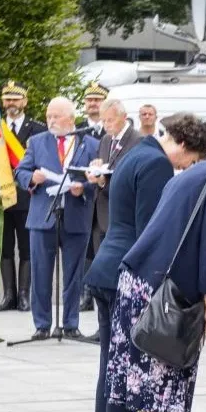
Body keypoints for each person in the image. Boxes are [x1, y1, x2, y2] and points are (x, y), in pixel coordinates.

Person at [104, 115, 206, 412]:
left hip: (134, 282)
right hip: (161, 293)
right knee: (164, 386)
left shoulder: (187, 177)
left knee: (143, 387)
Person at [84, 115, 179, 412]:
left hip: (107, 266)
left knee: (111, 367)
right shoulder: (155, 163)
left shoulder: (135, 153)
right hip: (127, 273)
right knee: (125, 370)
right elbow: (149, 230)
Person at [15, 97, 100, 339]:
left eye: (56, 116)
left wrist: (84, 187)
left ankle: (70, 324)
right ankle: (42, 325)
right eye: (48, 116)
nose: (50, 121)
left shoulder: (91, 144)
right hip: (44, 215)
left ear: (71, 119)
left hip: (76, 215)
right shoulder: (37, 141)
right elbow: (20, 171)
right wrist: (32, 178)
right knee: (41, 272)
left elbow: (101, 178)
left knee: (74, 275)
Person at [86, 98, 140, 312]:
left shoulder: (136, 141)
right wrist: (95, 169)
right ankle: (104, 321)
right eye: (104, 121)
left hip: (121, 215)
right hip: (101, 213)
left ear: (123, 117)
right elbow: (104, 165)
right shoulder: (106, 141)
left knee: (115, 272)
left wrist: (102, 180)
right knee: (102, 271)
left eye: (110, 120)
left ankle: (116, 317)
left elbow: (129, 177)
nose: (106, 125)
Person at [0, 82, 45, 312]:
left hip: (27, 197)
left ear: (25, 101)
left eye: (16, 99)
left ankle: (24, 295)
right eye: (7, 99)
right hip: (0, 197)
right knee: (4, 249)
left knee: (26, 248)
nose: (11, 103)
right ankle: (8, 295)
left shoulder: (37, 129)